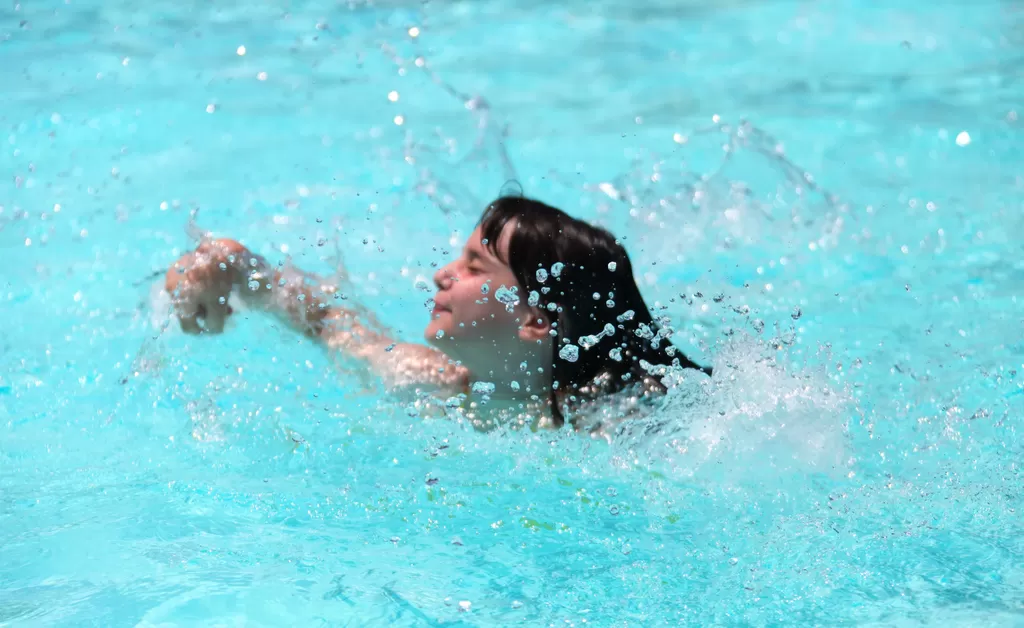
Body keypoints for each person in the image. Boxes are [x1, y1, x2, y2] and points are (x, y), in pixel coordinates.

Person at [164, 196, 711, 432]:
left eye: (476, 265)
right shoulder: (431, 380)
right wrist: (237, 267)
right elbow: (329, 323)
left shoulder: (619, 425)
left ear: (537, 320)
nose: (441, 274)